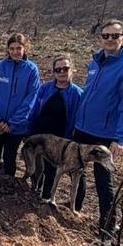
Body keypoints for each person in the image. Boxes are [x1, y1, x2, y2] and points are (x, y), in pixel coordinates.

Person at [73, 19, 123, 239]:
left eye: (115, 36)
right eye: (106, 36)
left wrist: (120, 138)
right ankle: (75, 208)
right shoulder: (95, 62)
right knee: (77, 171)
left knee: (104, 181)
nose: (110, 40)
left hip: (105, 132)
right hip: (83, 127)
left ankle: (107, 227)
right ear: (100, 38)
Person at [28, 54, 84, 201]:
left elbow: (78, 119)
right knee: (36, 165)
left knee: (51, 169)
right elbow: (34, 110)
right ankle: (34, 190)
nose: (61, 73)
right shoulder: (45, 88)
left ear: (72, 70)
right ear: (53, 72)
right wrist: (29, 130)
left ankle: (46, 197)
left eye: (65, 69)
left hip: (60, 139)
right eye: (57, 70)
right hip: (40, 135)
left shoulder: (77, 94)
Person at [0, 33, 40, 176]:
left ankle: (7, 191)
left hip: (15, 127)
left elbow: (30, 99)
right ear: (8, 50)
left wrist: (12, 123)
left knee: (9, 159)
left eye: (19, 48)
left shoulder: (32, 70)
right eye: (12, 48)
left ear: (25, 48)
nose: (15, 52)